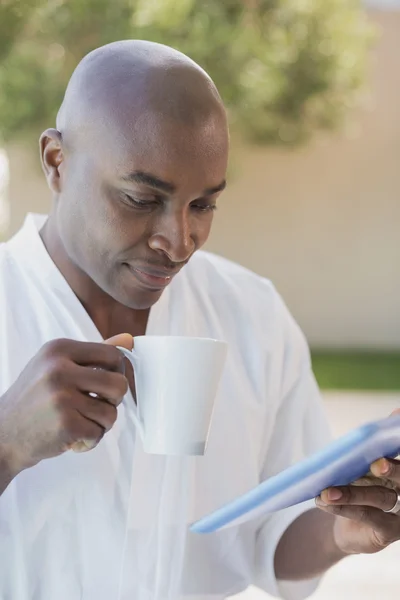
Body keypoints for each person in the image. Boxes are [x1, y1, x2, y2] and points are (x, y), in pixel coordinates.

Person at [0, 40, 399, 600]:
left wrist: (343, 531)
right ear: (56, 162)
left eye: (204, 204)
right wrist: (6, 445)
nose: (179, 240)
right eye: (142, 198)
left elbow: (268, 538)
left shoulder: (252, 315)